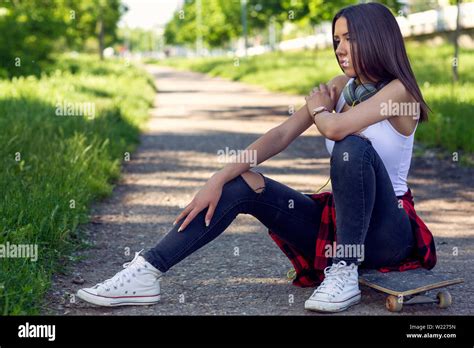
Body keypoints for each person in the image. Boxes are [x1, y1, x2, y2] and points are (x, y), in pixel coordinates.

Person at [76, 2, 434, 312]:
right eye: (336, 40)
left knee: (352, 147)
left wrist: (320, 111)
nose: (340, 49)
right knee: (242, 183)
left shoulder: (400, 94)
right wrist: (217, 179)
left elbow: (337, 130)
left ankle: (343, 271)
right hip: (340, 225)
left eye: (349, 39)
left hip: (389, 232)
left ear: (376, 38)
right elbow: (279, 135)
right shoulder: (339, 88)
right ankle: (146, 272)